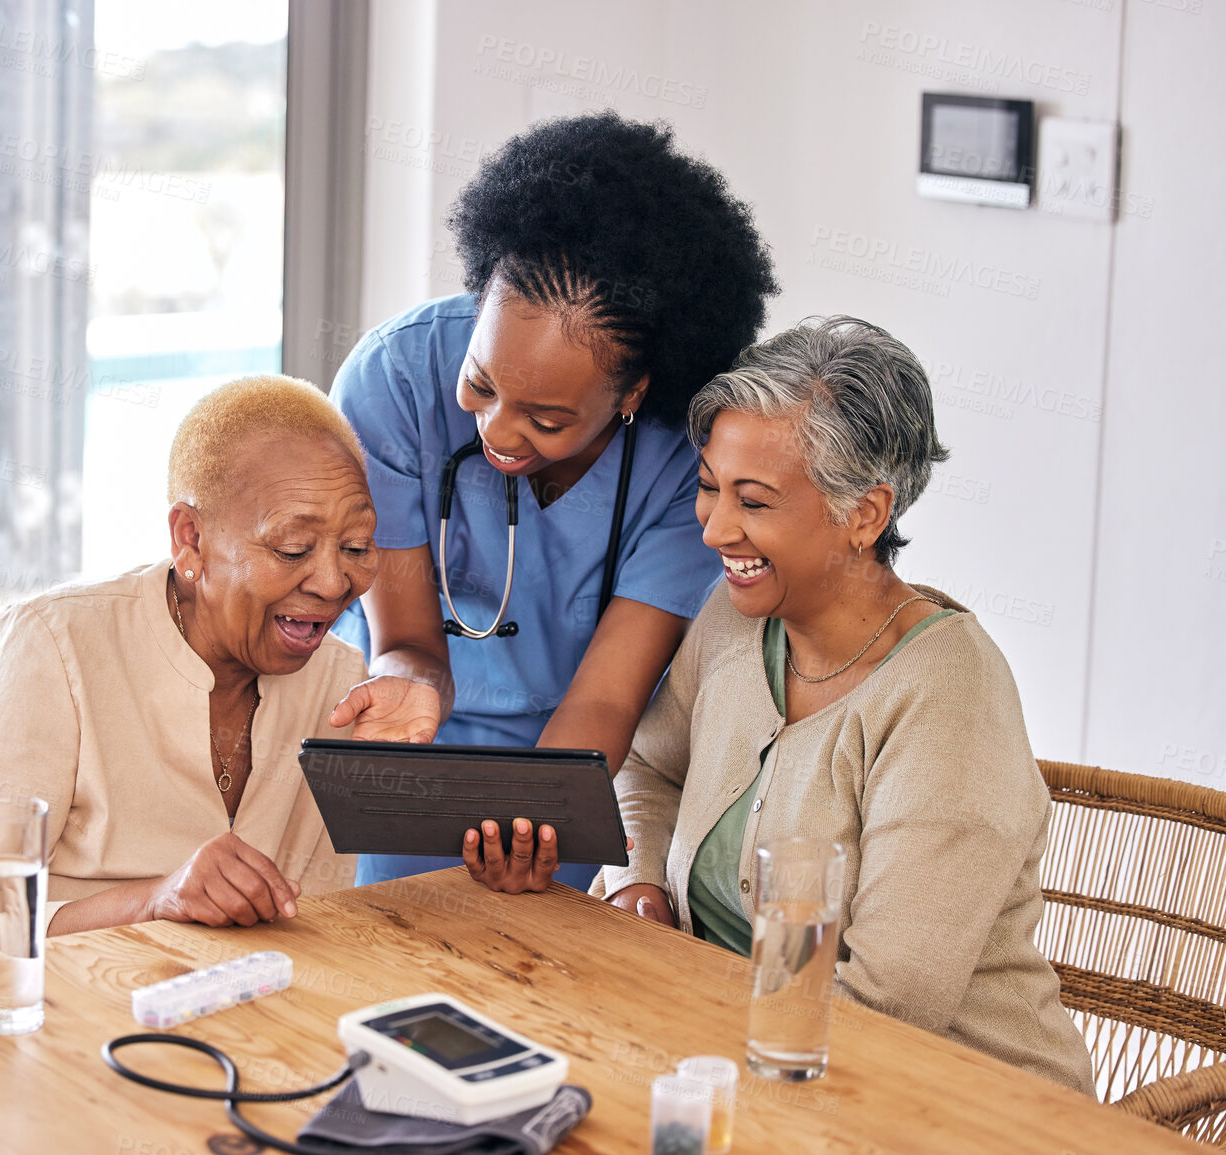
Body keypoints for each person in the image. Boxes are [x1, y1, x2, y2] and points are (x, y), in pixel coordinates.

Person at [596, 317, 1094, 1092]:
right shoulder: (735, 620)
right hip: (745, 1062)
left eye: (753, 501)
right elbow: (649, 768)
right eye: (707, 488)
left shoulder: (945, 694)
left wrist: (678, 1024)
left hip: (953, 1105)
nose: (715, 528)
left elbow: (885, 1001)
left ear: (864, 513)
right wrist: (639, 881)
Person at [0, 375, 431, 970]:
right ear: (190, 540)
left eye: (356, 547)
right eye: (293, 549)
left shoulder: (338, 685)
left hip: (146, 1009)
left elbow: (303, 932)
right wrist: (156, 901)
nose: (332, 583)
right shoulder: (51, 647)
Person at [330, 110, 778, 891]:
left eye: (546, 420)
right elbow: (404, 638)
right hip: (402, 745)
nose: (498, 431)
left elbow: (607, 694)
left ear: (634, 393)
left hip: (571, 764)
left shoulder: (688, 455)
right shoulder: (396, 377)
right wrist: (406, 683)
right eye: (479, 383)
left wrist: (534, 813)